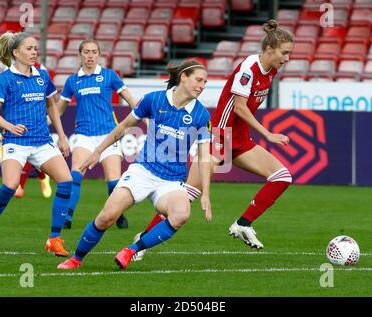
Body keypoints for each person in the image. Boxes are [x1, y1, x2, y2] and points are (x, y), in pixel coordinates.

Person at [132, 19, 294, 261]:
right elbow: (239, 107)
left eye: (289, 53)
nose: (287, 58)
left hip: (239, 138)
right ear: (270, 49)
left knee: (282, 176)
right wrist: (268, 134)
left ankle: (242, 224)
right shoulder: (249, 69)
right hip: (219, 133)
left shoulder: (272, 69)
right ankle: (141, 241)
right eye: (285, 52)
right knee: (187, 195)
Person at [57, 59, 212, 270]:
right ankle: (76, 259)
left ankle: (131, 249)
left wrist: (206, 195)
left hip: (172, 181)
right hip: (143, 171)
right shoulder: (153, 99)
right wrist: (97, 152)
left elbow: (204, 157)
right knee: (106, 217)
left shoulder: (202, 114)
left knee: (181, 214)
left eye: (205, 82)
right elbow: (123, 127)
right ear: (183, 77)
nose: (202, 86)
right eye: (199, 80)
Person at [0, 31, 73, 257]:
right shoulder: (4, 79)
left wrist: (62, 136)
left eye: (35, 48)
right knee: (10, 186)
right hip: (14, 141)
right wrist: (10, 126)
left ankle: (54, 239)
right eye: (29, 48)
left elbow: (52, 107)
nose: (33, 52)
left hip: (41, 140)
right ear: (15, 52)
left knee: (66, 181)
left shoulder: (42, 76)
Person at [57, 39, 138, 230]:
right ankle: (67, 217)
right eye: (86, 52)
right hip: (84, 134)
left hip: (108, 135)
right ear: (80, 55)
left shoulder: (110, 76)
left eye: (94, 52)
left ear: (99, 55)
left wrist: (146, 117)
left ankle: (117, 213)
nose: (90, 56)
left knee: (113, 183)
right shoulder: (72, 81)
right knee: (75, 175)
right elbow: (58, 111)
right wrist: (41, 123)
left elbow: (130, 101)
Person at [14, 62, 54, 199]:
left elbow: (50, 98)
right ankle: (43, 178)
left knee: (31, 148)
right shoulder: (10, 69)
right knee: (29, 151)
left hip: (38, 118)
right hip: (20, 117)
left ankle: (20, 186)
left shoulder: (41, 69)